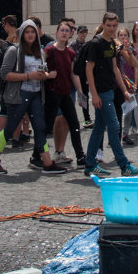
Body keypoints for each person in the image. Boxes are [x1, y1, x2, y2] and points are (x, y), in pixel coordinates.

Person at [0, 20, 66, 176]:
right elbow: (4, 74)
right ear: (22, 34)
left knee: (39, 127)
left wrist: (47, 76)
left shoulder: (40, 53)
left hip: (35, 93)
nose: (30, 35)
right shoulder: (13, 51)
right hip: (20, 94)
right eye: (27, 32)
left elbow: (40, 72)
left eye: (32, 32)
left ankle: (47, 162)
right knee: (10, 128)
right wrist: (28, 76)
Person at [83, 12, 138, 177]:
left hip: (110, 89)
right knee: (114, 126)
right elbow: (89, 69)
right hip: (101, 92)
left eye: (114, 26)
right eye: (108, 25)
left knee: (99, 128)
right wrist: (93, 95)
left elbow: (115, 68)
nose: (111, 29)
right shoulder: (96, 43)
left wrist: (123, 90)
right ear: (103, 24)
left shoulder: (111, 43)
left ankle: (89, 164)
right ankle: (124, 165)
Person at [44, 21, 85, 168]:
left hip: (66, 93)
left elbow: (73, 74)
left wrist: (80, 92)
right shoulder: (49, 51)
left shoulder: (70, 53)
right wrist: (48, 74)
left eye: (66, 31)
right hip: (53, 93)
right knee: (47, 125)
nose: (64, 33)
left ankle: (80, 156)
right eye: (61, 30)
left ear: (70, 34)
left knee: (74, 124)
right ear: (56, 33)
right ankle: (38, 155)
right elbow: (40, 69)